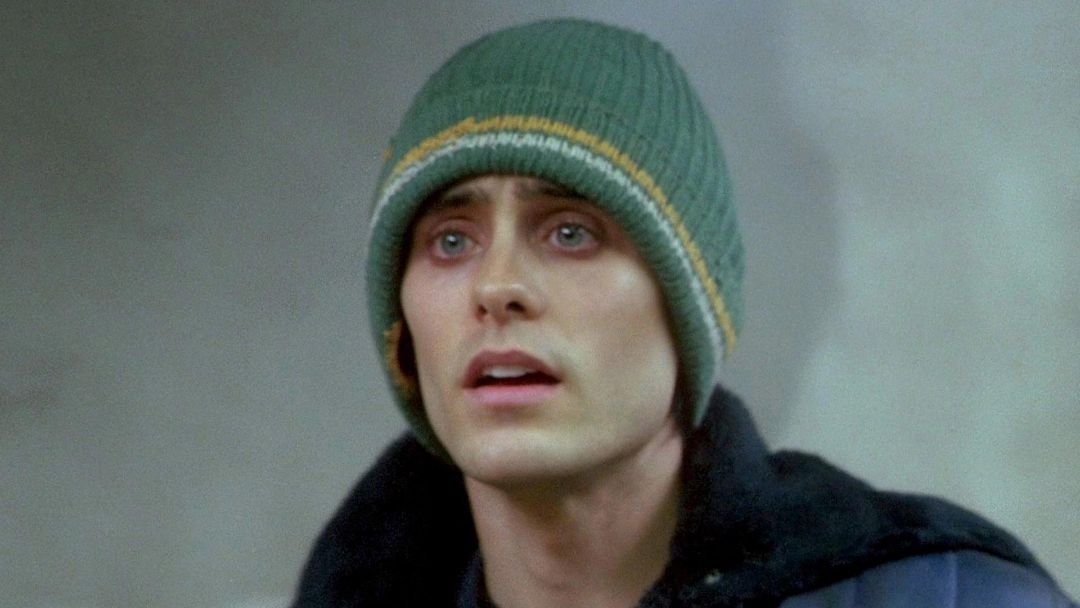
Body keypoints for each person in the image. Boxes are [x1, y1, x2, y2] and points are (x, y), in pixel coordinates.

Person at [291, 19, 1075, 607]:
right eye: (451, 240)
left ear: (690, 304)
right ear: (402, 331)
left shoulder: (945, 597)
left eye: (571, 232)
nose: (496, 286)